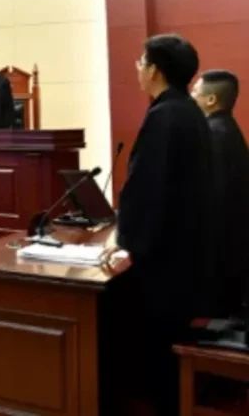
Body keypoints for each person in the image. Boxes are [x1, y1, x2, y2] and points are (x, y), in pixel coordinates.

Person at [103, 34, 213, 414]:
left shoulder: (165, 115)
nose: (137, 67)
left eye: (140, 61)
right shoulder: (186, 110)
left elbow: (150, 188)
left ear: (154, 70)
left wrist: (127, 244)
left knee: (152, 347)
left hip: (166, 264)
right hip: (185, 252)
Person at [191, 69, 249, 316]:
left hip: (219, 256)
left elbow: (212, 199)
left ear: (211, 99)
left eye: (195, 92)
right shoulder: (228, 129)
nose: (191, 96)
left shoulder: (212, 135)